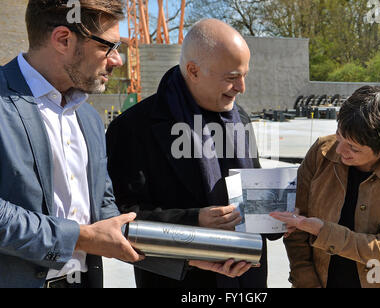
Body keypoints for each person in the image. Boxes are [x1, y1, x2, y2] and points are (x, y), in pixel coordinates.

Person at [0, 1, 248, 288]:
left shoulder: (89, 119)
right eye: (108, 47)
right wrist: (81, 237)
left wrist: (187, 256)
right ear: (63, 40)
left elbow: (109, 217)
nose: (117, 60)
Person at [106, 18, 278, 288]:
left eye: (244, 75)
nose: (242, 87)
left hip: (247, 283)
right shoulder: (132, 128)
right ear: (194, 71)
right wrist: (194, 220)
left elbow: (252, 191)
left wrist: (278, 213)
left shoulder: (239, 118)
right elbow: (121, 219)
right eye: (232, 78)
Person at [270, 86, 380, 288]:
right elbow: (296, 229)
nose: (339, 149)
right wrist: (306, 281)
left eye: (353, 147)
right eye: (339, 135)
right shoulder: (321, 152)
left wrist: (322, 230)